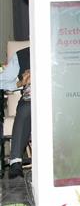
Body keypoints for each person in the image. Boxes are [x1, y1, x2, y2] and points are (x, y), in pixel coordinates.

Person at [6, 47, 30, 179]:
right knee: (25, 108)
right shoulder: (22, 55)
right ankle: (15, 163)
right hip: (30, 99)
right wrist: (21, 82)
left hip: (57, 98)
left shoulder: (58, 49)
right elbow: (2, 81)